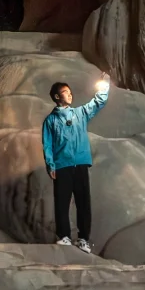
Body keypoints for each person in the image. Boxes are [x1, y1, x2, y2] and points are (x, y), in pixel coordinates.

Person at [41, 74, 110, 253]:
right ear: (57, 97)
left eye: (70, 92)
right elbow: (47, 144)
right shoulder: (50, 121)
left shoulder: (80, 113)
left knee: (83, 202)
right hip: (62, 165)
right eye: (66, 92)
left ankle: (83, 239)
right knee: (62, 202)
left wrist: (105, 85)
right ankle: (64, 236)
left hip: (80, 163)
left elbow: (98, 102)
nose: (70, 95)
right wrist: (51, 165)